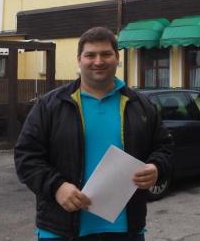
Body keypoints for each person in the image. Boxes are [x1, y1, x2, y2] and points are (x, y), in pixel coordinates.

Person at [15, 26, 173, 240]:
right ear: (79, 59)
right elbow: (26, 156)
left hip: (125, 230)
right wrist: (57, 187)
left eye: (106, 54)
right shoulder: (50, 105)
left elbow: (164, 148)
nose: (98, 61)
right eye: (90, 55)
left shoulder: (141, 105)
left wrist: (156, 167)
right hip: (60, 229)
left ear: (117, 58)